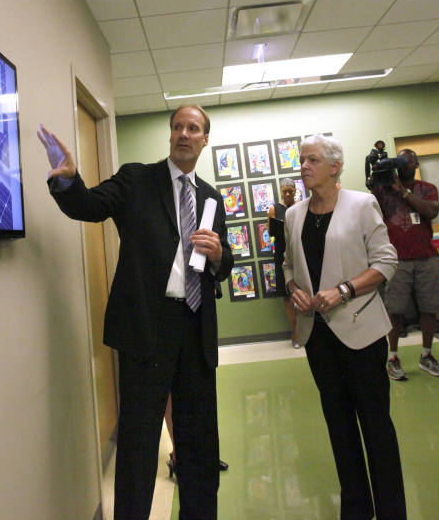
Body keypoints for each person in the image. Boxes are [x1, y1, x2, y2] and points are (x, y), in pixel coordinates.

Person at [38, 104, 234, 520]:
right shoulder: (137, 179)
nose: (184, 133)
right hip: (146, 329)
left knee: (199, 442)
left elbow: (224, 260)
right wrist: (69, 181)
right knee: (139, 445)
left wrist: (219, 255)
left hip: (196, 330)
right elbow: (88, 206)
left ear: (204, 139)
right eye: (177, 126)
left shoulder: (211, 197)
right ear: (170, 135)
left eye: (193, 128)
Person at [283, 134, 406, 520]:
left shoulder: (361, 204)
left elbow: (386, 261)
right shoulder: (294, 215)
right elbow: (288, 266)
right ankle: (356, 509)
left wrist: (345, 290)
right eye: (302, 160)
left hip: (361, 331)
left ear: (335, 166)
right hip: (317, 335)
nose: (304, 166)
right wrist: (294, 290)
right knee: (338, 426)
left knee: (376, 426)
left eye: (313, 160)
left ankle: (391, 511)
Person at [372, 149, 439, 381]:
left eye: (410, 160)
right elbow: (371, 216)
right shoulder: (382, 192)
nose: (407, 164)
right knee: (394, 310)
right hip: (396, 260)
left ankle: (427, 355)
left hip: (426, 257)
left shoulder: (427, 188)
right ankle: (393, 358)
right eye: (402, 161)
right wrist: (376, 181)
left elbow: (431, 211)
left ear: (416, 164)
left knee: (429, 307)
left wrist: (403, 192)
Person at [268, 177, 300, 348]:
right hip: (281, 254)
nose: (288, 194)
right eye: (285, 191)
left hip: (300, 254)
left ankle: (307, 331)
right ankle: (294, 333)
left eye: (291, 191)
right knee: (287, 295)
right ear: (280, 191)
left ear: (295, 191)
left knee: (305, 290)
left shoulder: (301, 206)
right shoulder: (274, 209)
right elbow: (271, 232)